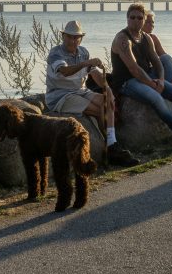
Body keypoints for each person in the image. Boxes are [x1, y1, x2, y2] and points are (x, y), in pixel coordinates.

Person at [110, 3, 172, 145]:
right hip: (127, 81)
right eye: (132, 17)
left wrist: (162, 80)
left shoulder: (146, 38)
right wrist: (152, 84)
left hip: (146, 77)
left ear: (144, 20)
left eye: (139, 18)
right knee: (156, 98)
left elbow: (157, 62)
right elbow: (134, 69)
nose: (135, 21)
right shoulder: (123, 39)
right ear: (127, 19)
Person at [44, 20, 139, 166]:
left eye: (76, 37)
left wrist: (107, 89)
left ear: (81, 38)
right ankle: (111, 147)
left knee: (108, 102)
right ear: (63, 36)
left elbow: (94, 73)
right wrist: (85, 63)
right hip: (60, 95)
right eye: (69, 37)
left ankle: (112, 143)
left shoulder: (83, 52)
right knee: (100, 109)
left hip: (80, 91)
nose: (73, 40)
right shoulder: (56, 53)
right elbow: (65, 71)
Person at [142, 12, 172, 84]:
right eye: (147, 22)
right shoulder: (136, 39)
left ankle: (169, 84)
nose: (151, 25)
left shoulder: (153, 38)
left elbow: (164, 56)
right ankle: (168, 86)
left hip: (152, 71)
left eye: (152, 22)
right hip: (143, 74)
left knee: (166, 57)